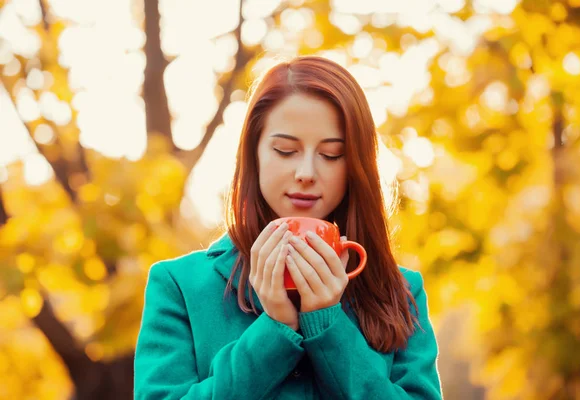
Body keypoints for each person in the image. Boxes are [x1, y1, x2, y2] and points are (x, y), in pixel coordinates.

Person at [134, 56, 442, 399]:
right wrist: (274, 330)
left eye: (331, 154)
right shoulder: (180, 286)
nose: (306, 172)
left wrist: (327, 325)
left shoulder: (401, 292)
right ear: (254, 155)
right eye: (285, 150)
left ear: (355, 165)